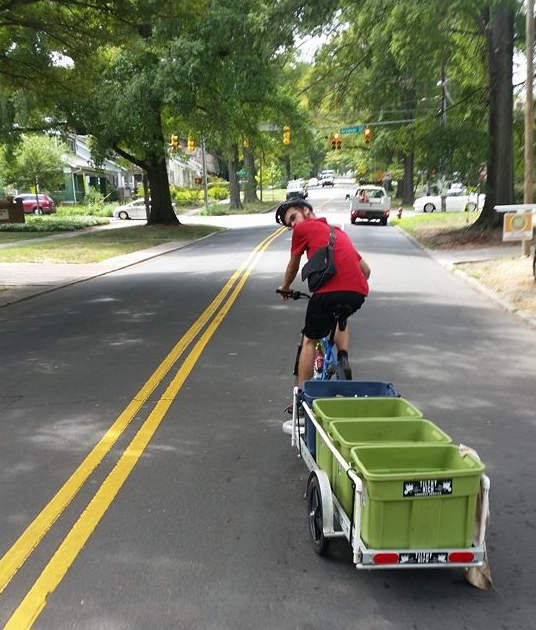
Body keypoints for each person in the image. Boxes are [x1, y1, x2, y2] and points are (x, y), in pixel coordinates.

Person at [275, 199, 371, 388]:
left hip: (327, 294)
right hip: (357, 293)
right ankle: (343, 358)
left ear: (306, 211)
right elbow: (366, 271)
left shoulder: (303, 230)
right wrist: (347, 286)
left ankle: (304, 394)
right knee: (341, 317)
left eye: (293, 218)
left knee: (310, 339)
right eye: (290, 224)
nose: (293, 225)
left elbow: (293, 264)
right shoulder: (338, 232)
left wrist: (285, 286)